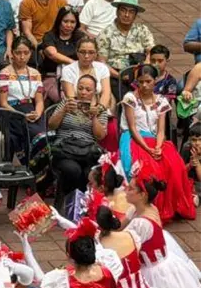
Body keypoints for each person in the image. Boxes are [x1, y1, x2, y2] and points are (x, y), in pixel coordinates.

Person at [125, 172, 201, 288]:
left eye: (131, 188)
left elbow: (127, 245)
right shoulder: (145, 209)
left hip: (154, 271)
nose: (126, 189)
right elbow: (122, 225)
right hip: (165, 264)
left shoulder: (140, 223)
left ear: (142, 195)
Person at [120, 64, 195, 223]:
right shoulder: (130, 98)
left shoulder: (161, 101)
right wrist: (147, 148)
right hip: (133, 138)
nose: (144, 85)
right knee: (149, 167)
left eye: (148, 81)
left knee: (175, 166)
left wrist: (158, 147)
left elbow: (161, 130)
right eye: (141, 82)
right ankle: (150, 209)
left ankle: (173, 206)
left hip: (155, 140)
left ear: (155, 81)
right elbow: (133, 128)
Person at [48, 75, 108, 197]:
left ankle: (81, 204)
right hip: (65, 149)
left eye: (88, 89)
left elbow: (100, 136)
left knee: (90, 173)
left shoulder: (99, 109)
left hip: (87, 152)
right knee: (73, 170)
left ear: (95, 91)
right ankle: (69, 201)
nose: (83, 92)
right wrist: (64, 110)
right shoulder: (67, 102)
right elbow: (51, 125)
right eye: (80, 88)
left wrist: (94, 117)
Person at [0, 38, 45, 150]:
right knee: (35, 133)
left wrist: (37, 114)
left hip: (31, 110)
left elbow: (39, 101)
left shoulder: (35, 74)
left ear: (31, 53)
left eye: (26, 53)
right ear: (12, 53)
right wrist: (22, 116)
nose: (22, 57)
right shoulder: (4, 73)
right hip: (12, 111)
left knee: (43, 134)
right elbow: (3, 103)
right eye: (18, 53)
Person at [97, 0, 155, 84]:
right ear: (117, 12)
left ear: (135, 15)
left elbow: (151, 51)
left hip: (140, 73)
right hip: (115, 75)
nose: (127, 15)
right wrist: (119, 76)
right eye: (123, 10)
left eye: (131, 12)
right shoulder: (105, 33)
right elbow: (101, 62)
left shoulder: (142, 30)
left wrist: (145, 65)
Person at [41, 6, 85, 103]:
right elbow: (52, 54)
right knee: (63, 99)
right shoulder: (50, 36)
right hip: (53, 77)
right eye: (65, 21)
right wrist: (72, 63)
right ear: (59, 21)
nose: (69, 25)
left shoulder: (80, 36)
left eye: (72, 22)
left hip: (77, 76)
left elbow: (86, 53)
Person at [61, 38, 113, 110]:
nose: (86, 56)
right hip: (75, 109)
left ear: (96, 54)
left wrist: (99, 110)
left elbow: (106, 93)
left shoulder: (102, 68)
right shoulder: (68, 70)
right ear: (77, 52)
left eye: (91, 52)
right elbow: (71, 97)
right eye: (82, 52)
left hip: (99, 107)